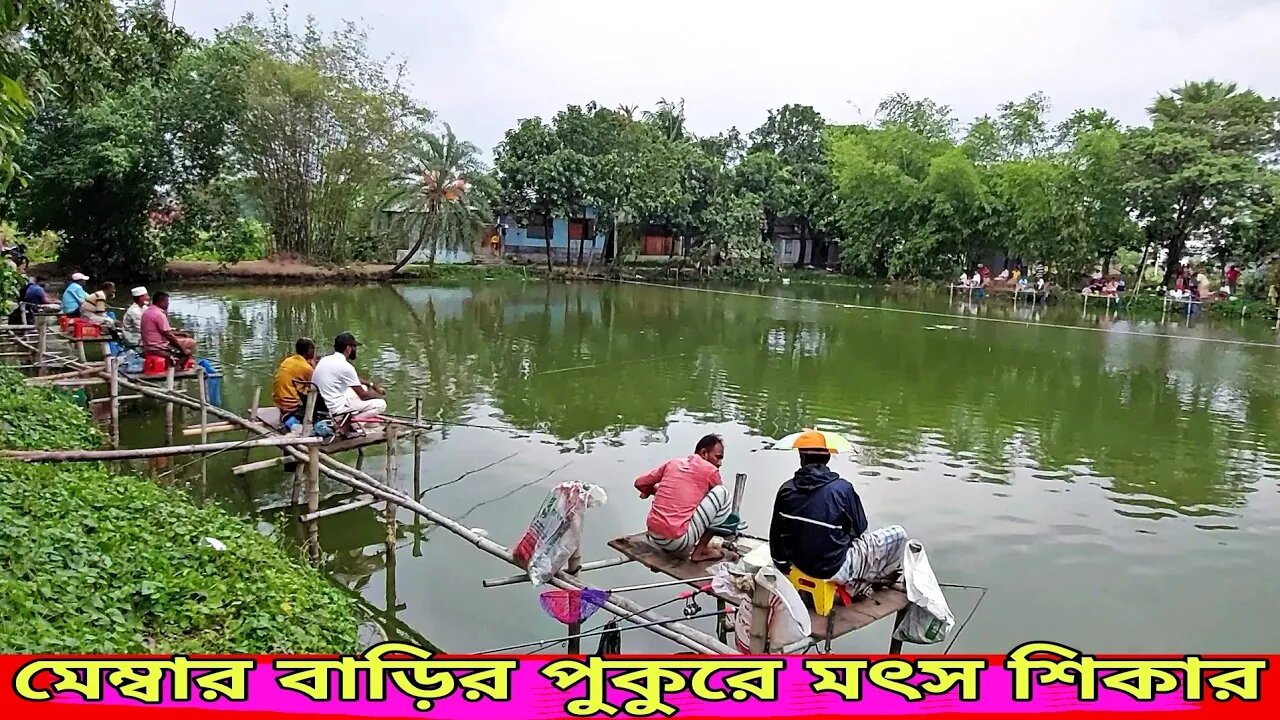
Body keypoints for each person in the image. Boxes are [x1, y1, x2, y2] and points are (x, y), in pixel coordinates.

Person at [769, 432, 907, 594]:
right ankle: (873, 580)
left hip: (798, 563)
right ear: (828, 458)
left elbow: (775, 534)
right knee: (899, 534)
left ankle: (862, 580)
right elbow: (860, 530)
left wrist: (781, 564)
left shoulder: (786, 490)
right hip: (833, 569)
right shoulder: (843, 489)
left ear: (802, 458)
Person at [634, 434, 732, 562]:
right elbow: (717, 503)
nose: (719, 463)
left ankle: (676, 542)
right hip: (677, 541)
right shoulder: (710, 471)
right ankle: (701, 550)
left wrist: (650, 491)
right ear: (704, 453)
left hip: (654, 534)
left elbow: (639, 483)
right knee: (723, 493)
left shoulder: (673, 463)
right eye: (717, 457)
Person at [310, 332, 386, 418]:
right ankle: (352, 424)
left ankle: (352, 415)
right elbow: (364, 396)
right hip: (335, 407)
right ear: (348, 348)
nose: (356, 350)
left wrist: (370, 384)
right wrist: (379, 396)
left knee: (363, 387)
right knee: (381, 404)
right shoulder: (346, 367)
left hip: (319, 402)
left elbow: (354, 379)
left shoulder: (325, 359)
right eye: (355, 347)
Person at [140, 291, 196, 362]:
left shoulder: (147, 312)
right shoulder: (159, 314)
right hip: (158, 347)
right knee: (191, 342)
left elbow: (164, 331)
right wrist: (183, 349)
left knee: (183, 339)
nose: (168, 303)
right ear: (161, 302)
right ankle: (179, 365)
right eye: (167, 301)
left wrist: (181, 334)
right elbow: (168, 336)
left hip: (148, 345)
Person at [273, 337, 318, 417]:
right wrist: (313, 365)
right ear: (308, 351)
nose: (314, 352)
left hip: (279, 403)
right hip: (292, 406)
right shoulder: (306, 368)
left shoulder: (288, 360)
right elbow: (316, 386)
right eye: (313, 349)